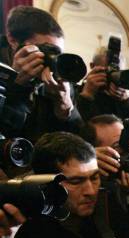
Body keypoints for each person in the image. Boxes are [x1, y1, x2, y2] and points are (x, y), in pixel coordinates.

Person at [0, 6, 82, 142]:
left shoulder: (60, 75)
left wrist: (66, 109)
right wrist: (16, 85)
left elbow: (75, 140)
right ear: (13, 40)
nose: (52, 58)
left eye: (57, 53)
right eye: (46, 50)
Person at [77, 47, 129, 122]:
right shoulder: (82, 90)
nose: (113, 76)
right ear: (92, 66)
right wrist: (87, 95)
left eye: (118, 72)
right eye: (108, 71)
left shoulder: (128, 89)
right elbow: (75, 126)